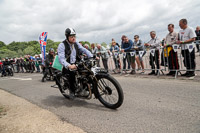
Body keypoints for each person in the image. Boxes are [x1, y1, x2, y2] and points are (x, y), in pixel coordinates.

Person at [58, 28, 93, 99]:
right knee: (72, 74)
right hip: (67, 64)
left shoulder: (76, 44)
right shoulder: (62, 45)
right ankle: (72, 90)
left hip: (76, 62)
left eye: (74, 36)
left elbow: (84, 50)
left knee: (87, 71)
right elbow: (61, 59)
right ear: (67, 37)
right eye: (71, 36)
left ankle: (85, 86)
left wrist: (91, 56)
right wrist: (69, 65)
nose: (73, 38)